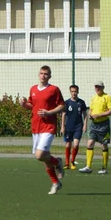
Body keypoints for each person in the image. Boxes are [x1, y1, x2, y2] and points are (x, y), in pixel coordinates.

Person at [21, 65, 65, 194]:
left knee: (39, 155)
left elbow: (62, 106)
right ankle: (56, 183)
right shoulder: (33, 89)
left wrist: (49, 112)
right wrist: (24, 105)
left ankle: (57, 162)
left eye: (46, 74)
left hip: (48, 126)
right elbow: (33, 106)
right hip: (36, 127)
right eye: (41, 73)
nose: (43, 76)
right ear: (38, 74)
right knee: (45, 157)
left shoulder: (54, 89)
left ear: (49, 76)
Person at [79, 82, 111, 174]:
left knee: (103, 145)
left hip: (103, 125)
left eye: (99, 87)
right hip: (94, 125)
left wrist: (99, 115)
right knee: (90, 143)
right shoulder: (93, 98)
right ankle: (88, 166)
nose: (97, 88)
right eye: (96, 86)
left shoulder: (107, 97)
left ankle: (104, 168)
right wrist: (91, 115)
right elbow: (91, 110)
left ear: (103, 87)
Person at [60, 84, 86, 171]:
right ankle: (67, 163)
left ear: (78, 92)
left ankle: (72, 161)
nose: (74, 93)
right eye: (72, 91)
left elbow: (85, 115)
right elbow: (63, 115)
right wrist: (62, 126)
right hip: (68, 127)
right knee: (68, 145)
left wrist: (85, 125)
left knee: (76, 144)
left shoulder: (81, 102)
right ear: (70, 92)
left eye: (75, 91)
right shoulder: (66, 103)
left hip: (78, 127)